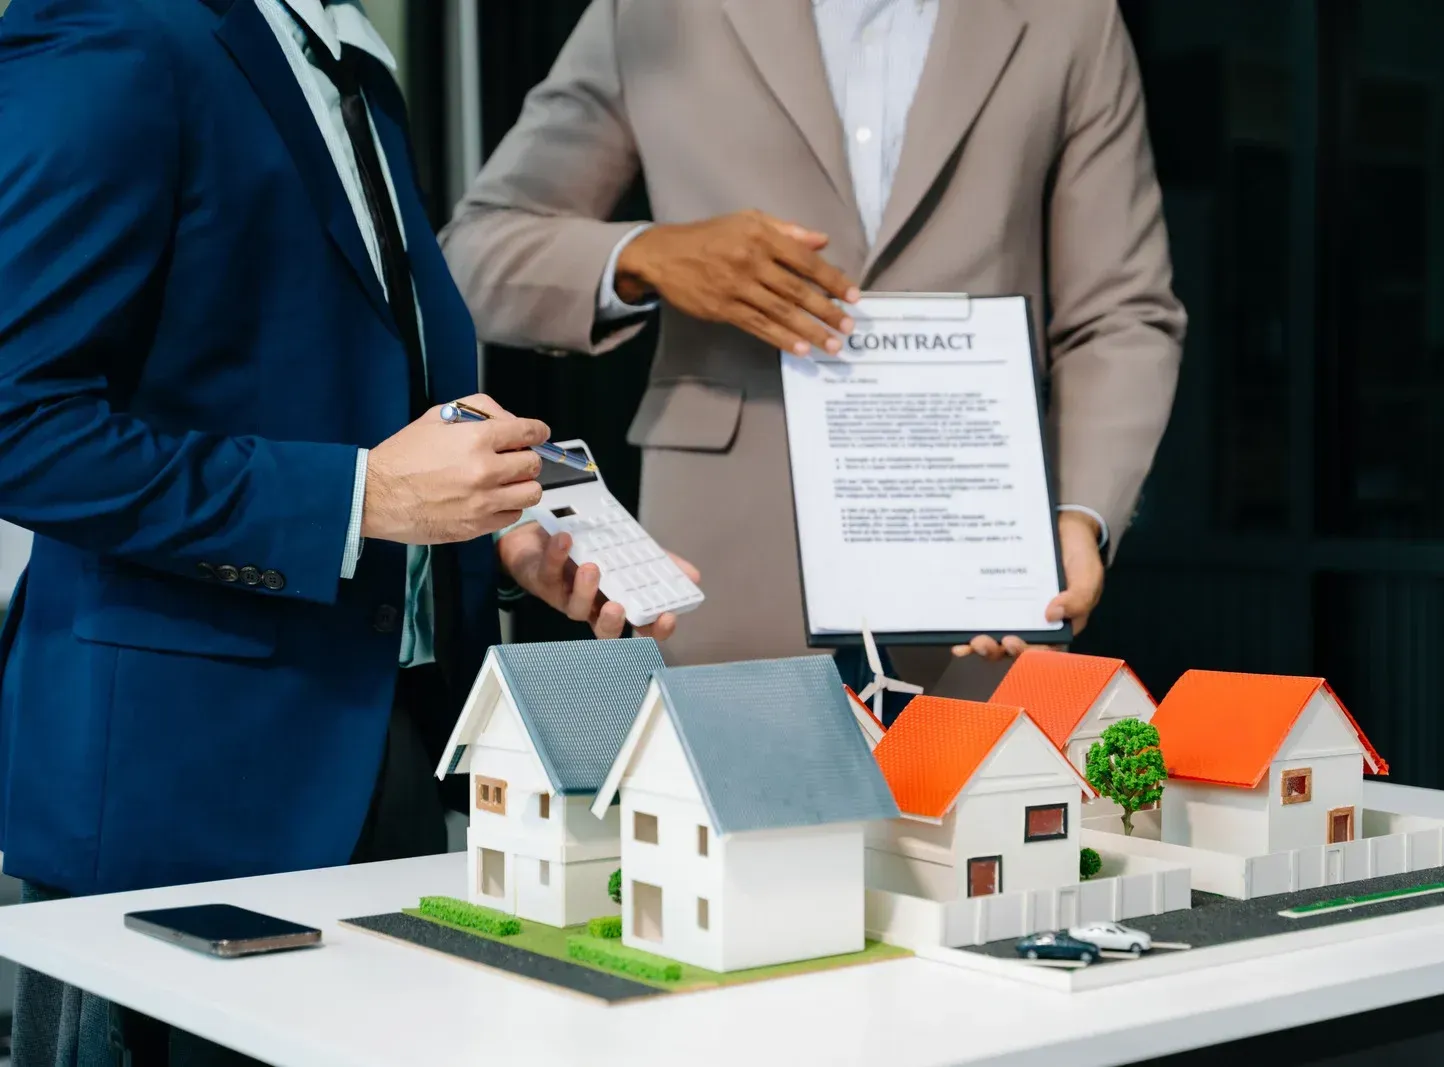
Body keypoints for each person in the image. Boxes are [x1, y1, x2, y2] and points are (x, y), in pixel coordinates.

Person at [0, 1, 686, 1062]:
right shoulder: (118, 29)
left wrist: (496, 539)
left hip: (387, 756)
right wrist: (357, 500)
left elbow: (345, 396)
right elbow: (18, 424)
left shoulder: (351, 59)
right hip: (178, 791)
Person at [440, 0, 1187, 687]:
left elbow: (1121, 310)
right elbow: (474, 253)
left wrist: (1079, 514)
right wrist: (647, 257)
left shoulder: (1072, 19)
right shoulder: (653, 11)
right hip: (722, 563)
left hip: (981, 570)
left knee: (987, 819)